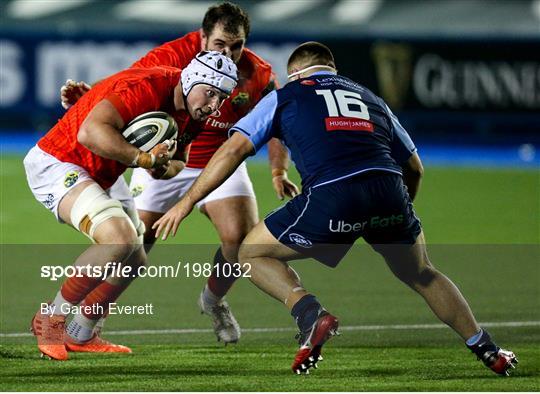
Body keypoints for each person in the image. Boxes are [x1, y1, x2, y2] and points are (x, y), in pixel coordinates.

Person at [152, 42, 518, 376]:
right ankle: (489, 350)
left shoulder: (286, 95)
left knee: (249, 252)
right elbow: (415, 168)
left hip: (332, 195)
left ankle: (310, 313)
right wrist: (393, 220)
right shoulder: (372, 98)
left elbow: (233, 150)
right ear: (332, 69)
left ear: (295, 72)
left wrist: (185, 202)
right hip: (390, 192)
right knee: (423, 273)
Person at [59, 1, 299, 344]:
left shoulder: (258, 74)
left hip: (221, 162)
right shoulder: (172, 56)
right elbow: (127, 82)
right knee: (133, 245)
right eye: (220, 44)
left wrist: (278, 170)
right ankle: (90, 319)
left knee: (238, 242)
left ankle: (213, 301)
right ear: (202, 37)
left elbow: (275, 123)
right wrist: (92, 96)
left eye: (237, 45)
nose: (229, 53)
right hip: (164, 156)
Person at [24, 51, 238, 360]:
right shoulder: (149, 86)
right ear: (192, 79)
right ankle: (50, 320)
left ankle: (81, 332)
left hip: (105, 171)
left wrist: (162, 166)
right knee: (118, 239)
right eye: (211, 93)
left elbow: (181, 161)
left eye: (222, 97)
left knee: (134, 259)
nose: (215, 104)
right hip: (61, 161)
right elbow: (89, 132)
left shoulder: (195, 107)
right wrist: (143, 158)